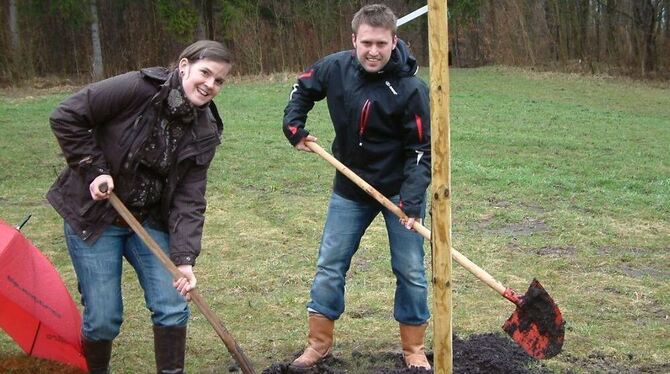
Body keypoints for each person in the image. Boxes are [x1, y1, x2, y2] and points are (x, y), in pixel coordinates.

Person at [47, 40, 232, 374]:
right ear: (184, 65)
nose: (210, 85)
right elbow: (67, 115)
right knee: (103, 318)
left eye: (219, 81)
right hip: (96, 215)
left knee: (173, 305)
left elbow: (189, 200)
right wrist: (94, 168)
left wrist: (185, 259)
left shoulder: (205, 131)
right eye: (205, 73)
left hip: (147, 220)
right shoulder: (136, 88)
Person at [282, 4, 432, 371]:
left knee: (410, 268)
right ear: (354, 40)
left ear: (394, 41)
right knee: (330, 264)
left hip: (398, 192)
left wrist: (411, 203)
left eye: (381, 43)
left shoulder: (411, 89)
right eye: (366, 42)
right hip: (349, 185)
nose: (373, 51)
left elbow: (421, 150)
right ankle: (318, 344)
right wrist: (294, 128)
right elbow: (302, 89)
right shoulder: (335, 67)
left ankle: (414, 349)